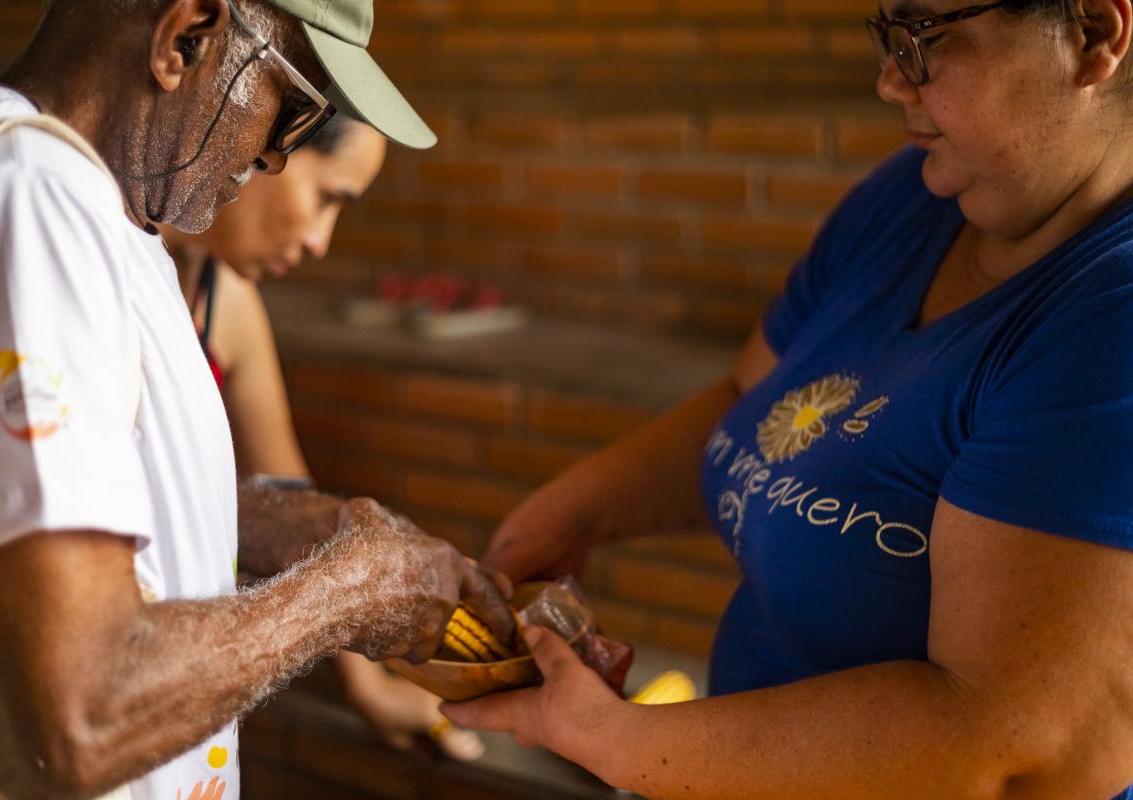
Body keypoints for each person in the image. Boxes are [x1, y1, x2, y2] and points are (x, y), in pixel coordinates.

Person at [443, 1, 1133, 798]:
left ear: (1093, 34)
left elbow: (1021, 749)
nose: (890, 81)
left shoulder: (1109, 318)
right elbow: (754, 397)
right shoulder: (916, 198)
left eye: (926, 39)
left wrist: (612, 741)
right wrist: (566, 518)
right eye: (886, 36)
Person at [0, 1, 512, 799]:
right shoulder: (34, 198)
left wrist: (287, 528)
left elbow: (56, 488)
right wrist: (345, 595)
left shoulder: (103, 210)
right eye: (294, 106)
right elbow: (78, 719)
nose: (275, 155)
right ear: (187, 36)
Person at [161, 114, 484, 761]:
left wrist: (369, 687)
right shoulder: (96, 268)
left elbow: (291, 503)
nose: (318, 241)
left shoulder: (225, 301)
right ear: (259, 145)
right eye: (326, 198)